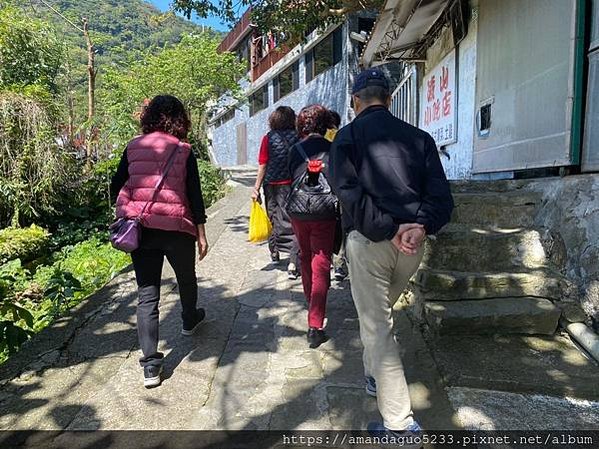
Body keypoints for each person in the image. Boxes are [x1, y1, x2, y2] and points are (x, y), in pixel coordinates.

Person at [329, 69, 454, 439]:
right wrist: (419, 226)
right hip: (412, 248)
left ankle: (399, 425)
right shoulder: (420, 138)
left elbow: (348, 194)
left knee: (377, 327)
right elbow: (442, 199)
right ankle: (373, 378)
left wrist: (389, 228)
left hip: (370, 245)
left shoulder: (347, 137)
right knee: (379, 317)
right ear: (387, 98)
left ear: (355, 101)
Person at [110, 95, 209, 388]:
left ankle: (151, 367)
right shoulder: (183, 150)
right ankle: (189, 319)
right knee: (186, 278)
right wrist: (201, 233)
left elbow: (116, 185)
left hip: (141, 229)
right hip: (177, 227)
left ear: (149, 117)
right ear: (179, 119)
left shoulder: (132, 146)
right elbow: (194, 194)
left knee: (147, 294)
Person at [288, 104, 338, 349]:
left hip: (298, 211)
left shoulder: (294, 150)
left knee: (304, 255)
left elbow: (289, 182)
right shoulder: (333, 148)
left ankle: (311, 301)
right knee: (321, 261)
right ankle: (315, 323)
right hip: (325, 211)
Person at [252, 106, 301, 279]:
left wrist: (256, 188)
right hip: (291, 184)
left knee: (273, 217)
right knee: (292, 220)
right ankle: (293, 261)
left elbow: (263, 164)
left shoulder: (268, 138)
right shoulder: (298, 137)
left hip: (271, 184)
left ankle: (274, 252)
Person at [324, 110, 348, 282]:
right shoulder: (342, 136)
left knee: (326, 228)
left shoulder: (318, 139)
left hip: (321, 192)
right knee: (341, 228)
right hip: (340, 189)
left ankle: (329, 262)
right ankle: (339, 265)